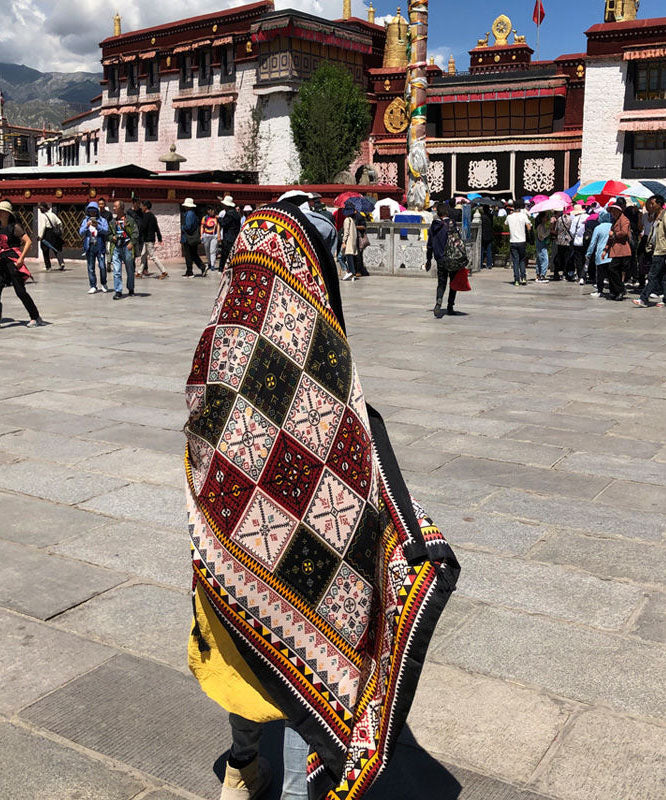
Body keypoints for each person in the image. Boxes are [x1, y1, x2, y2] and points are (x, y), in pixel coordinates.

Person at [184, 199, 459, 800]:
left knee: (252, 668)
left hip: (231, 556)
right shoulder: (316, 340)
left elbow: (203, 434)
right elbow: (349, 441)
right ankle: (279, 780)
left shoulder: (222, 333)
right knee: (303, 687)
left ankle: (241, 764)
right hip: (306, 562)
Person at [0, 200, 44, 327]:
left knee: (20, 291)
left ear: (7, 213)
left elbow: (28, 242)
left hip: (13, 262)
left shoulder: (14, 227)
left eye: (2, 211)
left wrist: (21, 259)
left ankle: (36, 317)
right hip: (1, 262)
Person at [425, 202, 462, 317]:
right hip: (452, 258)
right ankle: (450, 306)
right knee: (453, 283)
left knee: (441, 283)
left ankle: (438, 303)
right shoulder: (451, 224)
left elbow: (430, 244)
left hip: (440, 259)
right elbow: (458, 241)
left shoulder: (433, 226)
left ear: (438, 213)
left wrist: (429, 259)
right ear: (447, 212)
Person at [633, 194, 666, 308]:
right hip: (655, 249)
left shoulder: (664, 216)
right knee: (662, 276)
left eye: (652, 203)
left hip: (661, 250)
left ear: (660, 204)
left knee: (652, 275)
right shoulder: (655, 216)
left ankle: (643, 298)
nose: (650, 206)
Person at [110, 200, 138, 299]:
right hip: (117, 247)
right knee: (116, 270)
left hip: (127, 246)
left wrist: (131, 243)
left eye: (115, 207)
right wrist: (111, 238)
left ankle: (131, 288)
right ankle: (118, 291)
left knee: (130, 269)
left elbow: (135, 233)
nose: (113, 208)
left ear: (121, 208)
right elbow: (109, 233)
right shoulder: (113, 221)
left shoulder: (129, 220)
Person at [79, 200, 109, 294]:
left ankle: (104, 283)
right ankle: (93, 285)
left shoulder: (102, 220)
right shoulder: (85, 220)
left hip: (100, 246)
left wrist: (98, 226)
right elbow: (81, 232)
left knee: (102, 266)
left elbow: (106, 231)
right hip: (90, 246)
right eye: (90, 211)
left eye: (94, 211)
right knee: (91, 267)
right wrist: (87, 226)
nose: (92, 213)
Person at [604, 203, 631, 301]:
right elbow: (610, 238)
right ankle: (615, 291)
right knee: (615, 271)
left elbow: (624, 232)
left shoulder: (624, 220)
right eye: (611, 211)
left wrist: (614, 234)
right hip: (615, 250)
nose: (612, 213)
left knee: (613, 269)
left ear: (619, 211)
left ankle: (620, 290)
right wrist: (605, 250)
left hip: (622, 250)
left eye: (614, 211)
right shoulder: (615, 221)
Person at [585, 210, 612, 298]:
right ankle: (612, 290)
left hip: (601, 254)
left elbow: (593, 242)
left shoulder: (598, 228)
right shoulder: (612, 226)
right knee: (611, 274)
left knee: (600, 274)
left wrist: (588, 253)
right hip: (611, 253)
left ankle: (600, 290)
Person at [139, 200, 168, 279]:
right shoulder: (152, 216)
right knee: (143, 256)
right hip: (150, 239)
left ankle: (163, 271)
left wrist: (139, 234)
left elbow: (143, 227)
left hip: (148, 239)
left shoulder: (146, 215)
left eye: (142, 205)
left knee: (153, 256)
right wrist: (159, 238)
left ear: (145, 207)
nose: (141, 207)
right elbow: (156, 228)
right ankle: (139, 272)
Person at [506, 199, 532, 286]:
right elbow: (529, 227)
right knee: (522, 260)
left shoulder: (509, 217)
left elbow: (505, 223)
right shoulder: (523, 216)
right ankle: (523, 278)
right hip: (522, 241)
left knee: (515, 261)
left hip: (513, 241)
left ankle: (516, 280)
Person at [181, 197, 206, 277]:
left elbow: (188, 227)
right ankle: (202, 267)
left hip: (188, 238)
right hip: (192, 238)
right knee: (193, 254)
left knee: (188, 255)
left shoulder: (189, 214)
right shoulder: (193, 214)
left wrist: (182, 227)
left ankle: (190, 271)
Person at [37, 202, 65, 271]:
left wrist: (40, 236)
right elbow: (60, 222)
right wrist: (61, 231)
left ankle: (48, 266)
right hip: (53, 233)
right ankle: (61, 263)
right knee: (56, 248)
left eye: (41, 208)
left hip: (46, 234)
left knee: (45, 250)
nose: (40, 209)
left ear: (43, 208)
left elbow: (43, 226)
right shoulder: (53, 215)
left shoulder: (43, 216)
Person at [218, 194, 241, 271]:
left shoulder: (229, 214)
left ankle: (223, 268)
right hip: (234, 236)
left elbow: (224, 223)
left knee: (225, 254)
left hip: (228, 237)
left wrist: (219, 219)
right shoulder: (236, 214)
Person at [569, 204, 589, 285]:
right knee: (586, 260)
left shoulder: (576, 219)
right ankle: (585, 275)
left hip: (577, 242)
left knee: (579, 260)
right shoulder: (588, 216)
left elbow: (572, 231)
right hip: (587, 242)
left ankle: (581, 276)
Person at [551, 210, 573, 281]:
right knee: (567, 257)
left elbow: (556, 229)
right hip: (568, 240)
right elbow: (571, 230)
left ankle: (556, 272)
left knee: (559, 256)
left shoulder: (559, 219)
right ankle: (565, 273)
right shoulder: (570, 219)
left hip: (560, 240)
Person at [128, 198, 146, 278]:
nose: (139, 205)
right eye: (137, 203)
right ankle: (133, 269)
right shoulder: (129, 212)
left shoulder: (141, 212)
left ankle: (144, 269)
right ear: (133, 203)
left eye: (139, 203)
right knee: (133, 254)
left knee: (143, 253)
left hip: (141, 235)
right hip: (133, 235)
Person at [340, 202, 358, 282]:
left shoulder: (347, 220)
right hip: (353, 241)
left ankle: (350, 272)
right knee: (350, 258)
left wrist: (344, 241)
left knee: (343, 258)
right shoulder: (353, 220)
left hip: (349, 242)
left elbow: (346, 232)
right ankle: (353, 275)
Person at [200, 205, 219, 273]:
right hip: (206, 235)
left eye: (213, 210)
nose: (212, 211)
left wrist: (218, 235)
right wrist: (201, 235)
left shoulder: (216, 218)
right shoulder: (205, 218)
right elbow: (202, 226)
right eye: (211, 210)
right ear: (208, 211)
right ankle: (209, 262)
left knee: (212, 250)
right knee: (207, 250)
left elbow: (218, 226)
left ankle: (213, 264)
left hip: (214, 236)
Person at [98, 197, 114, 273]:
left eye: (102, 204)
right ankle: (101, 264)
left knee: (108, 250)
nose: (101, 205)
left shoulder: (109, 214)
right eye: (99, 204)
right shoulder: (96, 214)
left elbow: (111, 225)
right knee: (100, 251)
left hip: (107, 235)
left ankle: (108, 263)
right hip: (99, 236)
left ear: (105, 205)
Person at [534, 211, 551, 283]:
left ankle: (538, 274)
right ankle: (542, 275)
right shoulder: (540, 226)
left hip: (540, 244)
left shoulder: (542, 225)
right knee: (545, 259)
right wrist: (549, 230)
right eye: (545, 217)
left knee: (539, 259)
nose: (547, 218)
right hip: (541, 244)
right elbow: (543, 236)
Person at [479, 205, 494, 270]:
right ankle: (489, 264)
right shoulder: (490, 216)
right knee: (489, 250)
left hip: (483, 235)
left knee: (481, 250)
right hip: (489, 234)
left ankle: (480, 264)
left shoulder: (482, 217)